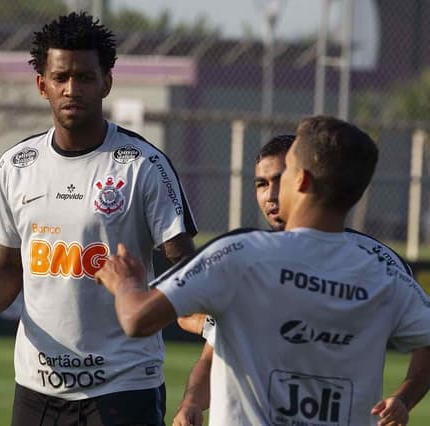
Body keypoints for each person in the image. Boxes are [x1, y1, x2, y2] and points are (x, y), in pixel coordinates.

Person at [0, 11, 197, 426]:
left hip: (124, 383)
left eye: (84, 77)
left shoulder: (142, 165)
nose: (71, 89)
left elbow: (186, 266)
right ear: (42, 84)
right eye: (61, 78)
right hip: (37, 387)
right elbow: (7, 267)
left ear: (106, 82)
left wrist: (176, 310)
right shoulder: (16, 165)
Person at [95, 116, 430, 426]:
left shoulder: (240, 254)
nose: (270, 191)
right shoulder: (385, 273)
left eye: (282, 176)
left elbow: (137, 319)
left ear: (300, 180)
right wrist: (404, 397)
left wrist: (127, 284)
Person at [174, 134, 418, 426]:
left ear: (306, 180)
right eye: (261, 184)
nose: (271, 195)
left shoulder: (377, 263)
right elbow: (211, 355)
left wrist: (404, 398)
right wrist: (190, 404)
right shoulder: (246, 259)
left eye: (280, 180)